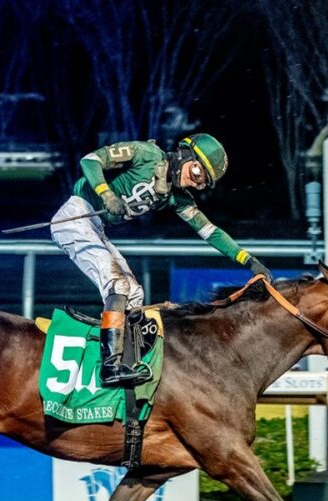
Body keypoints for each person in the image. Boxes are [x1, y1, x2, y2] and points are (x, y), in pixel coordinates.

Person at [50, 133, 273, 389]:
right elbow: (90, 160)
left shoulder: (177, 197)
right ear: (185, 155)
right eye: (197, 172)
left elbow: (210, 232)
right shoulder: (146, 154)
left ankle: (128, 360)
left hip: (96, 227)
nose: (196, 183)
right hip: (75, 216)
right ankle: (109, 367)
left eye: (202, 182)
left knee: (134, 293)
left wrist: (250, 262)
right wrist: (106, 194)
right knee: (117, 285)